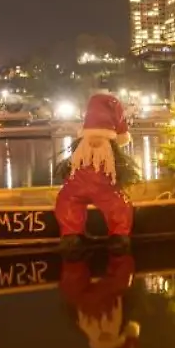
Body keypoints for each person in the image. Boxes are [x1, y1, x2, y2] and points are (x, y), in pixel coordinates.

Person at [54, 93, 139, 251]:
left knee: (67, 200)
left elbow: (67, 168)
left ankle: (71, 235)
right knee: (118, 204)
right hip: (104, 187)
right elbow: (120, 170)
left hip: (75, 186)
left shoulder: (80, 148)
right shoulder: (111, 151)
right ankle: (119, 236)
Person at [59, 247, 140, 348]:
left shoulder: (124, 321)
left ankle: (118, 247)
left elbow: (131, 299)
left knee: (123, 271)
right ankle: (73, 250)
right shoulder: (79, 326)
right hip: (82, 279)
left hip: (110, 277)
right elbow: (68, 303)